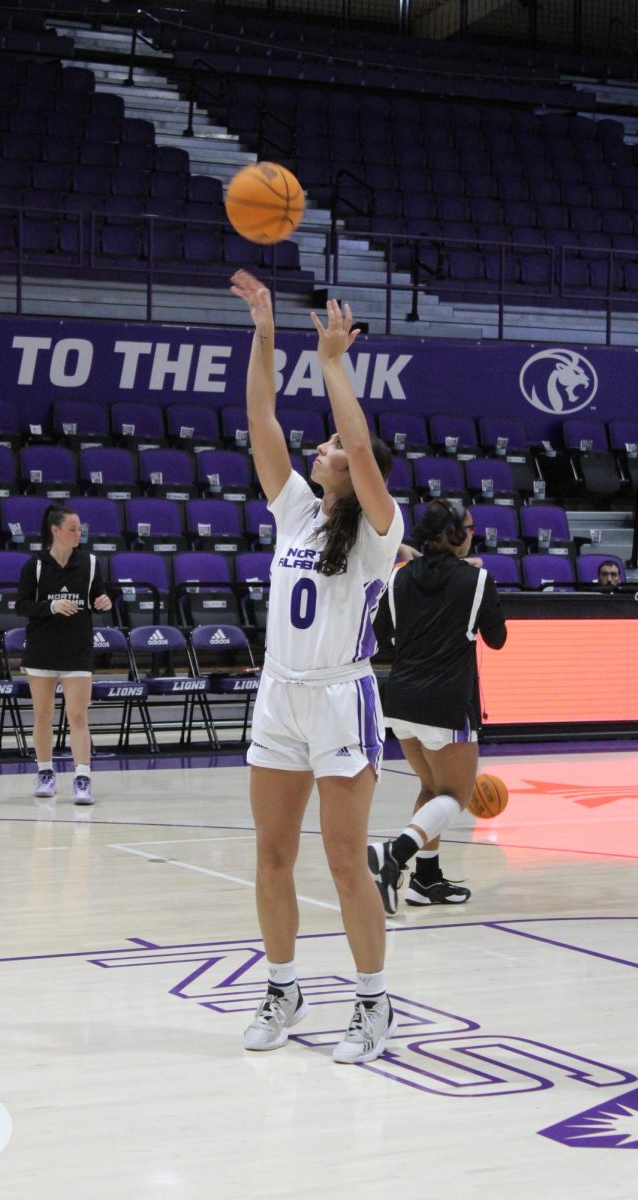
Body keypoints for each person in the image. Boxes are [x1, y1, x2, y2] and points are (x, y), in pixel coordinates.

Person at [230, 270, 405, 1065]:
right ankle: (283, 986)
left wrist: (334, 362)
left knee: (342, 859)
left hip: (342, 698)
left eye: (328, 448)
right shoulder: (296, 508)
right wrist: (265, 330)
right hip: (281, 695)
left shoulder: (376, 527)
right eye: (325, 446)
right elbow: (259, 413)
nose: (322, 449)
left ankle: (373, 1005)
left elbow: (362, 444)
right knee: (271, 856)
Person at [368, 499, 507, 912]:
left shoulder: (399, 579)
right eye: (468, 527)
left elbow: (381, 635)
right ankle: (396, 853)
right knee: (457, 796)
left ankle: (425, 882)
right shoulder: (476, 580)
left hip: (402, 701)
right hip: (447, 703)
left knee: (431, 789)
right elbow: (496, 639)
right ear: (456, 535)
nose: (472, 534)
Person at [15, 503, 112, 805]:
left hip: (77, 649)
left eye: (80, 528)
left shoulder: (91, 563)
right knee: (43, 715)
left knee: (78, 715)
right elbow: (21, 605)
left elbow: (98, 594)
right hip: (42, 649)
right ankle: (45, 772)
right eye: (72, 529)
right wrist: (51, 607)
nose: (78, 533)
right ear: (55, 531)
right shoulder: (36, 565)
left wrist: (104, 600)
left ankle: (82, 778)